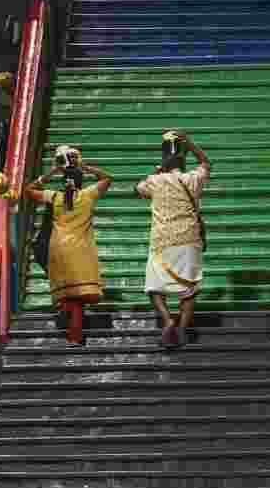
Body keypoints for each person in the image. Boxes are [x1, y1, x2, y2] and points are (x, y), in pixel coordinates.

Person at [24, 146, 113, 346]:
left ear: (63, 183)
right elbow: (107, 178)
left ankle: (73, 333)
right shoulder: (87, 196)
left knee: (70, 295)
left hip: (59, 248)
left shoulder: (55, 197)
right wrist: (86, 167)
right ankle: (75, 335)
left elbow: (28, 190)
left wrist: (51, 172)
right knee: (79, 297)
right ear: (81, 183)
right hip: (80, 249)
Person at [135, 131, 211, 348]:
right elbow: (206, 163)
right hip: (189, 240)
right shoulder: (192, 178)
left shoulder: (154, 181)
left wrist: (156, 172)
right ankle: (182, 331)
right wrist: (190, 143)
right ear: (183, 159)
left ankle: (168, 319)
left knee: (154, 287)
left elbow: (137, 190)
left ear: (163, 160)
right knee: (189, 289)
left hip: (162, 241)